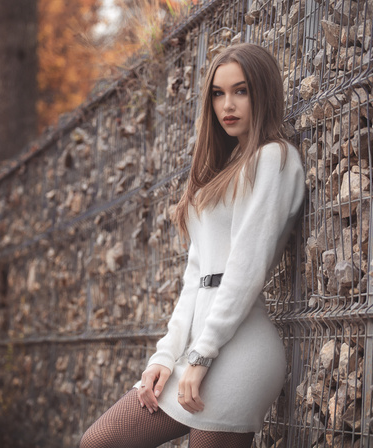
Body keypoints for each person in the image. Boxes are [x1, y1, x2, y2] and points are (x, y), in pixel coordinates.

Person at [80, 43, 305, 448]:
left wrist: (202, 357)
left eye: (241, 91)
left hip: (239, 350)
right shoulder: (221, 172)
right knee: (98, 442)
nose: (227, 105)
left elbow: (245, 268)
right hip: (203, 345)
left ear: (263, 93)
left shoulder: (274, 159)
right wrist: (165, 357)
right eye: (218, 93)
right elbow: (195, 279)